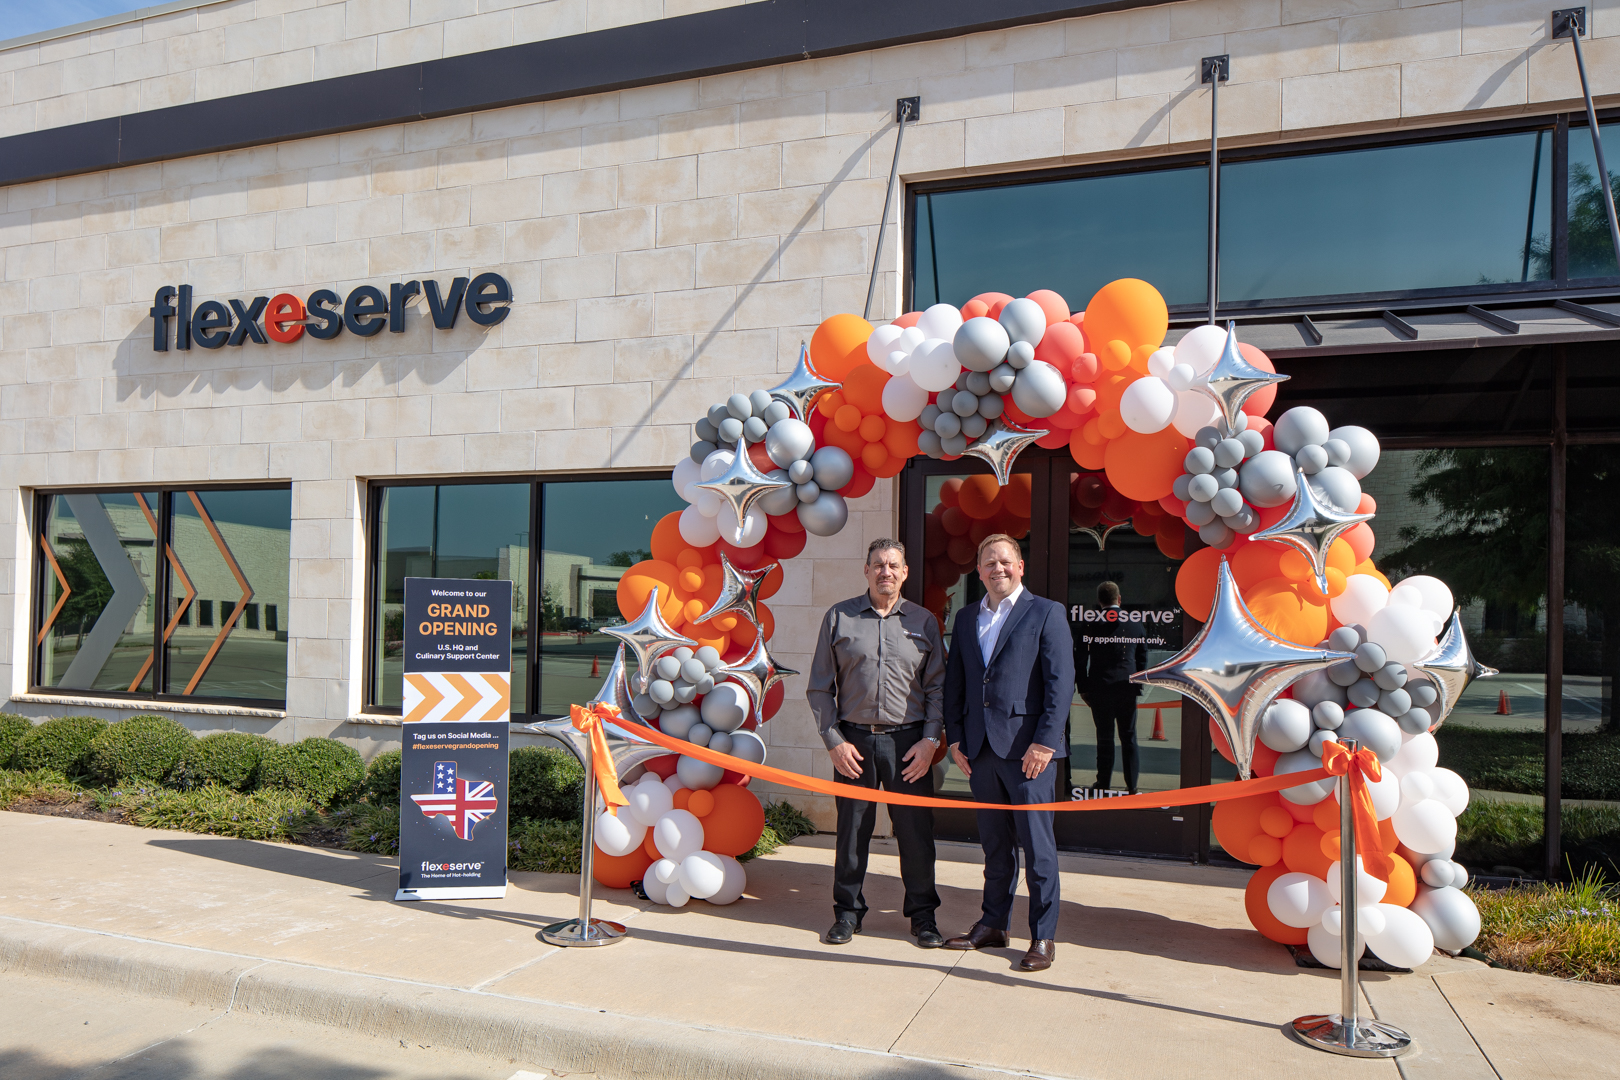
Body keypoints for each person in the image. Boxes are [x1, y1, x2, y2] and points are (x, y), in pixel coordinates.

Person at [941, 534, 1074, 972]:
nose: (996, 568)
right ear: (977, 571)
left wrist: (1045, 742)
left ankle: (1043, 936)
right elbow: (956, 684)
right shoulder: (965, 618)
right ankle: (994, 924)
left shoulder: (1046, 612)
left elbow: (1060, 686)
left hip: (1030, 753)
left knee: (1038, 850)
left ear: (1020, 565)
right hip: (980, 751)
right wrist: (956, 738)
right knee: (995, 846)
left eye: (1004, 560)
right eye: (987, 562)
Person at [806, 538, 946, 948]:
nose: (886, 571)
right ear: (865, 570)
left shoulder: (924, 622)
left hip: (911, 747)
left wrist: (930, 741)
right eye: (878, 565)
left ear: (905, 573)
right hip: (853, 744)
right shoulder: (839, 618)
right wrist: (833, 740)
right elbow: (819, 689)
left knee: (916, 835)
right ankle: (847, 913)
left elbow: (937, 688)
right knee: (851, 833)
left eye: (894, 565)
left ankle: (923, 918)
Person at [1078, 581, 1148, 795]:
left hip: (1100, 688)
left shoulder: (1091, 625)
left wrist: (1083, 687)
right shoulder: (1135, 625)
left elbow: (1080, 659)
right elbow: (1142, 657)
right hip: (1126, 688)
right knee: (1129, 737)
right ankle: (1132, 785)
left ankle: (1103, 784)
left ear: (1100, 602)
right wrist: (1137, 683)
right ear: (1119, 599)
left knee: (1105, 737)